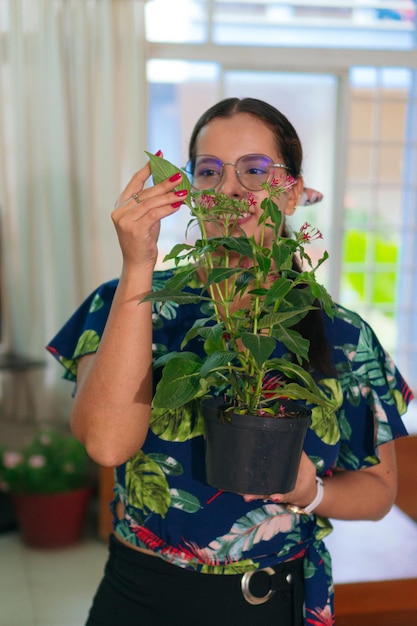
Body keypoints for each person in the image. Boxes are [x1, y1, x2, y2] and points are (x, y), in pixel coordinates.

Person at [47, 97, 413, 626]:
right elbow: (106, 444)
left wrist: (311, 492)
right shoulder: (130, 300)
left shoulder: (344, 335)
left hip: (270, 600)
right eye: (209, 172)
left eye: (255, 170)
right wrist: (138, 266)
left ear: (290, 195)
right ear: (188, 192)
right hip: (143, 595)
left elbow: (379, 492)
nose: (230, 190)